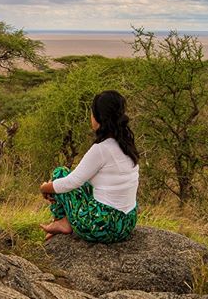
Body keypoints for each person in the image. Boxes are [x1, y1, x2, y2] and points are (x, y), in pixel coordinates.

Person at [39, 90, 139, 243]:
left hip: (103, 226)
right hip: (127, 222)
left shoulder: (102, 148)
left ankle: (62, 221)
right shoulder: (127, 145)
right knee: (80, 183)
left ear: (99, 118)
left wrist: (45, 188)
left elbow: (71, 182)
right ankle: (65, 220)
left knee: (61, 173)